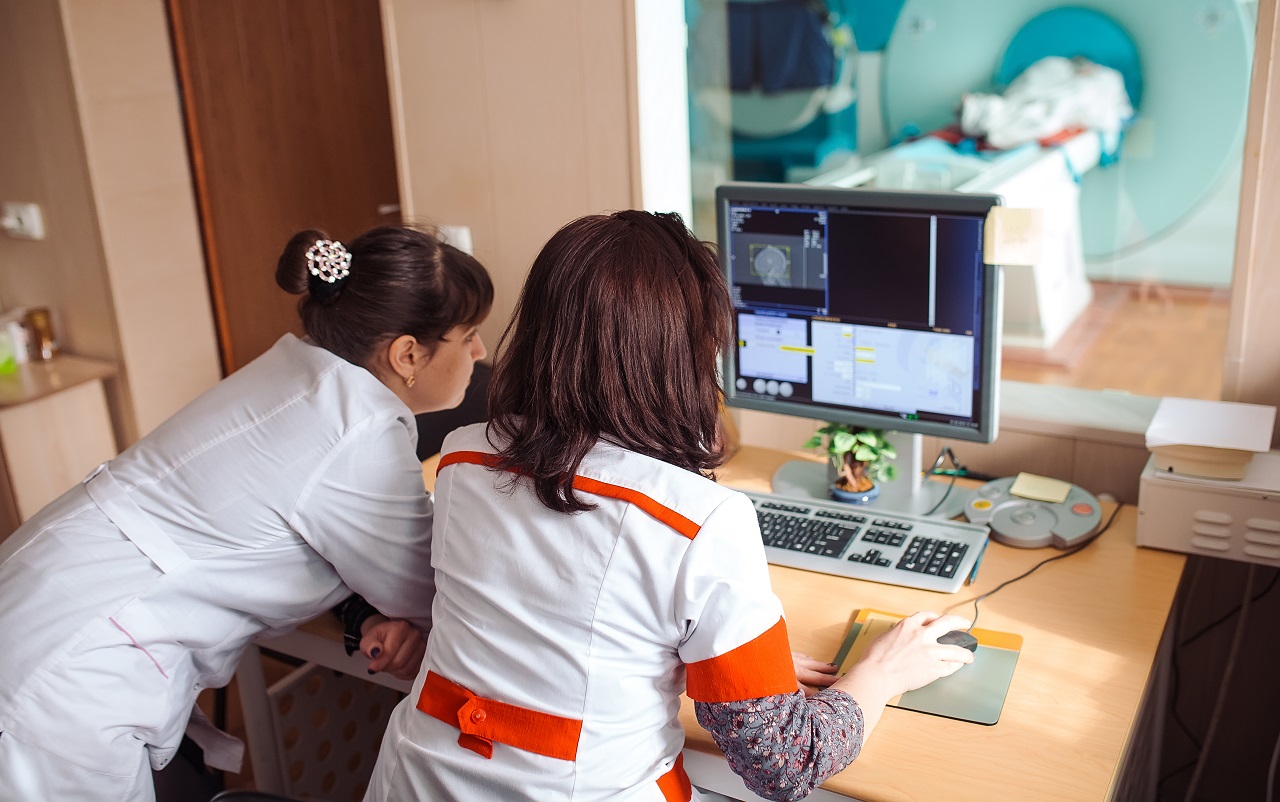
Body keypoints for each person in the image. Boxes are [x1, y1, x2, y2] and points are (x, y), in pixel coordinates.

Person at [363, 211, 974, 802]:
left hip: (419, 781)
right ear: (683, 356)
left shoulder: (464, 458)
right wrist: (883, 673)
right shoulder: (701, 520)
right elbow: (786, 762)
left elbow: (547, 623)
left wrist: (712, 656)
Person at [0, 225, 491, 802]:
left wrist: (376, 611)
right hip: (67, 674)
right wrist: (385, 612)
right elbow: (431, 595)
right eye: (470, 336)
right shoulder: (357, 432)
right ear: (408, 354)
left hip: (40, 594)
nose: (481, 353)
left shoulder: (299, 369)